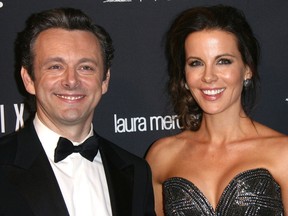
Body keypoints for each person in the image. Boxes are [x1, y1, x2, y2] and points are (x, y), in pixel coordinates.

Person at [0, 8, 155, 216]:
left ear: (104, 80)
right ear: (28, 79)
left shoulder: (135, 172)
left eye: (86, 67)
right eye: (55, 67)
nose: (71, 81)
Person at [146, 4, 288, 216]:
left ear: (247, 69)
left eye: (223, 61)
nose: (209, 76)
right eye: (196, 63)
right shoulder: (161, 156)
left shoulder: (282, 154)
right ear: (184, 75)